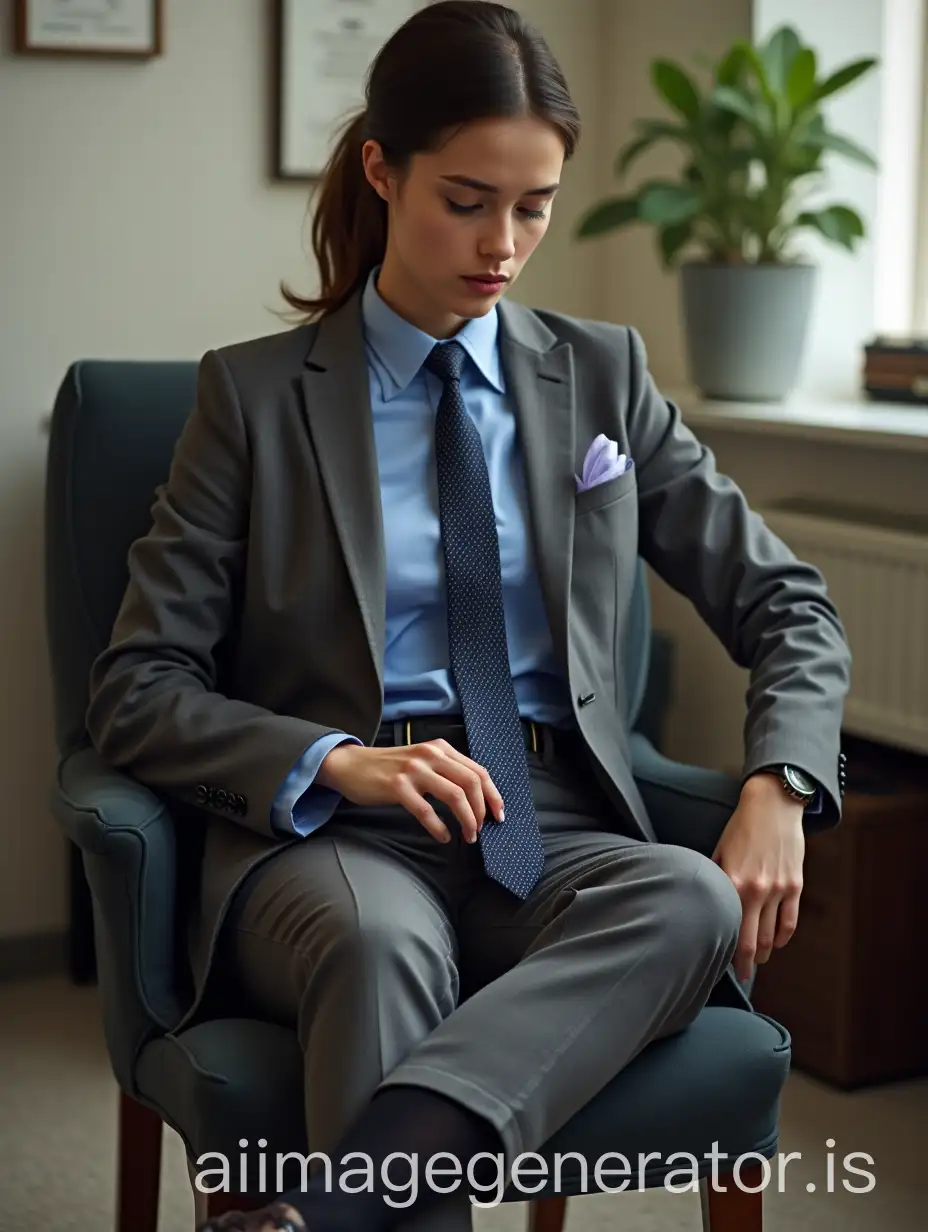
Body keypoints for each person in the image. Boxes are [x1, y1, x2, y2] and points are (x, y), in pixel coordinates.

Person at [85, 3, 851, 1230]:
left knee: (690, 899)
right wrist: (342, 760)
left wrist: (778, 786)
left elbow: (786, 600)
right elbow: (137, 686)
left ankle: (325, 1211)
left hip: (550, 818)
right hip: (338, 831)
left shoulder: (603, 377)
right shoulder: (255, 397)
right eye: (466, 198)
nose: (504, 242)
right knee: (380, 944)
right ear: (382, 171)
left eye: (535, 204)